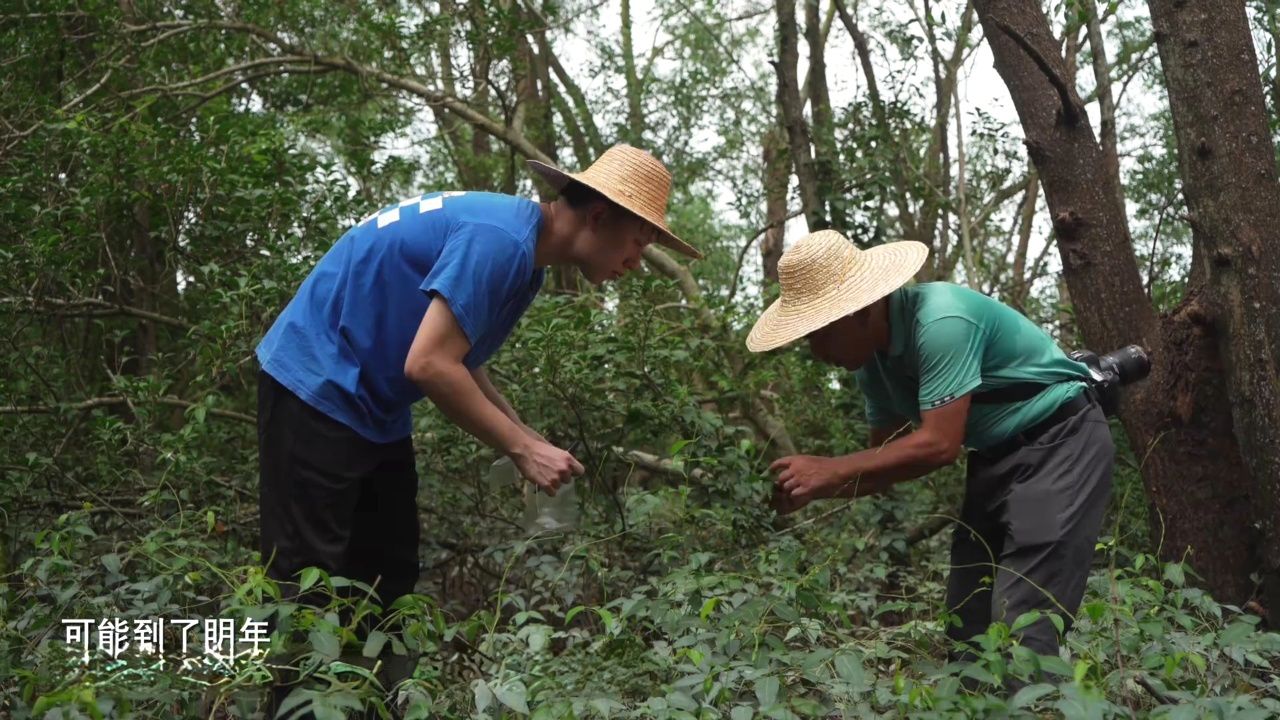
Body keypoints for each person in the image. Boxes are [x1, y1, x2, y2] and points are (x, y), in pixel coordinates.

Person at [254, 145, 699, 710]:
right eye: (639, 243)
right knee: (309, 581)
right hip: (316, 381)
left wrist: (527, 436)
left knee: (388, 578)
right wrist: (519, 449)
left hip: (375, 406)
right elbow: (429, 365)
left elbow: (456, 354)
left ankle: (374, 705)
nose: (637, 262)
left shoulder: (523, 257)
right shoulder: (500, 240)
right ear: (599, 216)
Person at [745, 229, 1114, 664]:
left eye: (818, 332)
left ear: (859, 310)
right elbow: (882, 463)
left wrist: (829, 469)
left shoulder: (942, 321)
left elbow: (939, 445)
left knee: (1025, 622)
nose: (815, 349)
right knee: (966, 619)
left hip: (1061, 442)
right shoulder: (873, 367)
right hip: (994, 458)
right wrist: (812, 487)